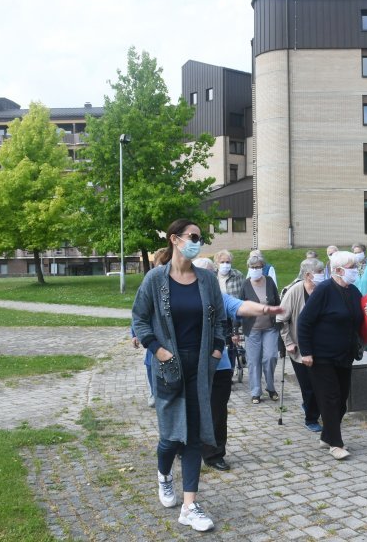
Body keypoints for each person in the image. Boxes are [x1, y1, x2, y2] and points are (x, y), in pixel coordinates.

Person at [131, 219, 224, 532]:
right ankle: (164, 476)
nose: (198, 241)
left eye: (200, 237)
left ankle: (189, 506)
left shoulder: (207, 280)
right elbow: (139, 319)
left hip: (199, 366)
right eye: (193, 236)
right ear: (175, 239)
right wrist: (157, 350)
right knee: (171, 436)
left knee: (193, 435)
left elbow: (221, 318)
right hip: (168, 367)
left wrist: (216, 349)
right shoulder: (155, 280)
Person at [193, 258, 284, 472]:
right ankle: (186, 446)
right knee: (191, 406)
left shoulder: (219, 297)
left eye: (211, 273)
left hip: (220, 363)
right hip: (191, 363)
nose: (207, 277)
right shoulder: (184, 297)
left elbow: (241, 306)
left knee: (217, 410)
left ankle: (214, 453)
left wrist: (265, 309)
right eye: (202, 273)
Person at [297, 251, 367, 460]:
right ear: (338, 270)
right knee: (330, 398)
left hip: (344, 355)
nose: (355, 271)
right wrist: (306, 352)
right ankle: (336, 444)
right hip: (321, 356)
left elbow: (358, 319)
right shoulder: (323, 290)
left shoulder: (353, 291)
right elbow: (304, 322)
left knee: (341, 400)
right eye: (351, 267)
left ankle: (326, 435)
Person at [277, 258, 325, 432]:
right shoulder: (295, 291)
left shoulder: (322, 290)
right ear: (307, 275)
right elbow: (281, 319)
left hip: (321, 347)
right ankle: (311, 418)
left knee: (320, 384)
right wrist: (288, 342)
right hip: (299, 348)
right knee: (308, 386)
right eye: (319, 272)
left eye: (322, 271)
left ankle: (313, 409)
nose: (322, 275)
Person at [240, 254, 281, 404]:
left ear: (263, 268)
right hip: (252, 328)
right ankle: (256, 391)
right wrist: (234, 331)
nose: (256, 269)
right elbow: (239, 306)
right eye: (253, 267)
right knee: (253, 360)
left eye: (258, 267)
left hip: (270, 327)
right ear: (249, 269)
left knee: (270, 357)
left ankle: (270, 387)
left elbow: (277, 301)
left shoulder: (269, 282)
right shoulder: (245, 284)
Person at [133, 247, 170, 408]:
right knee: (151, 362)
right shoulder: (149, 283)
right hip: (153, 336)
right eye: (161, 264)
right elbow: (138, 314)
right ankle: (154, 392)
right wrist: (135, 334)